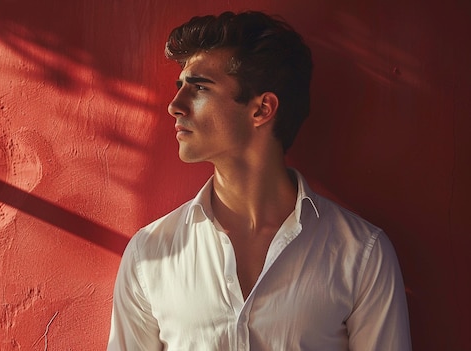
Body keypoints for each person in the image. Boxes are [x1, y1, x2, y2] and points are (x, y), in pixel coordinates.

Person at [108, 11, 411, 351]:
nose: (175, 106)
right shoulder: (150, 254)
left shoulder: (361, 253)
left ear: (262, 109)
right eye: (181, 88)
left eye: (199, 88)